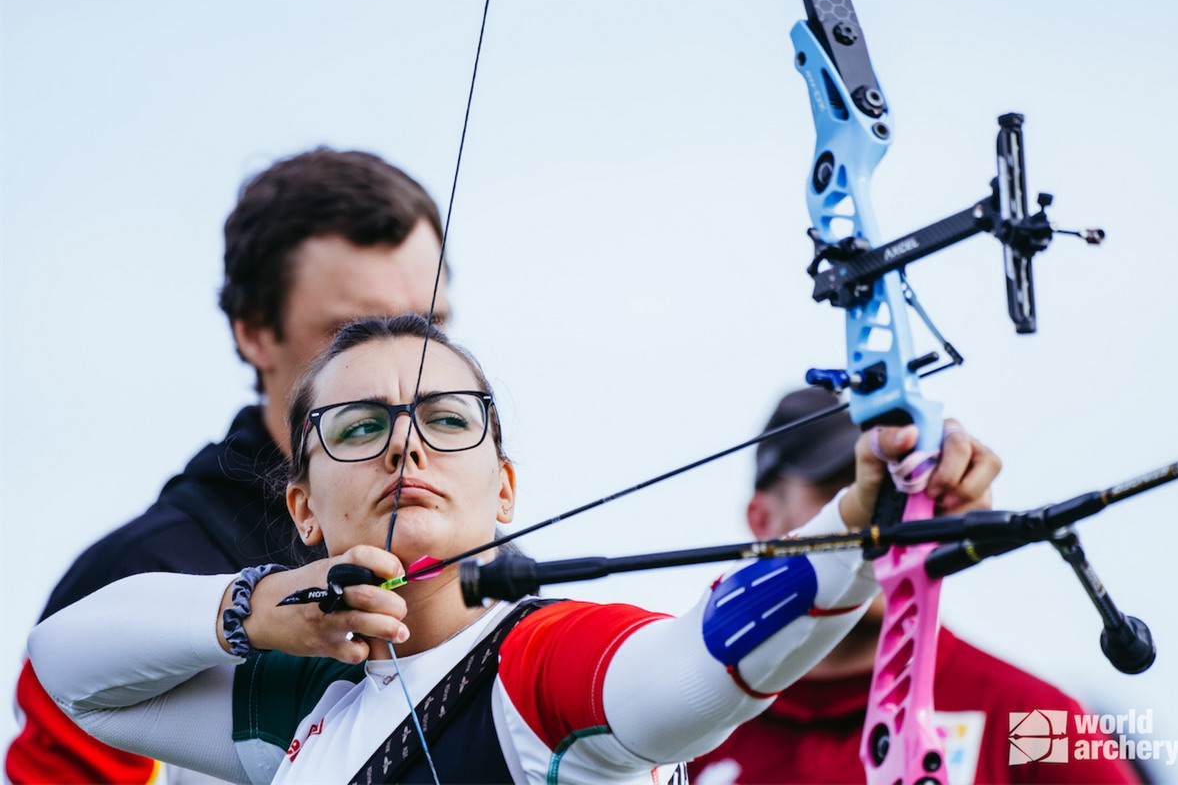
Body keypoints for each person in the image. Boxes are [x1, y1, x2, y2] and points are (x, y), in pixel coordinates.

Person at [29, 316, 1003, 785]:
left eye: (446, 419)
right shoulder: (296, 707)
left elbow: (695, 665)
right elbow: (68, 667)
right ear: (303, 506)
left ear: (502, 484)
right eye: (361, 426)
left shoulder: (538, 671)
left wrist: (854, 523)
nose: (406, 442)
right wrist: (251, 606)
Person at [6, 149, 449, 785]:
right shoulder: (133, 585)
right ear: (253, 333)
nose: (402, 366)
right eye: (354, 331)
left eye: (428, 326)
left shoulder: (467, 550)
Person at [689, 388, 1141, 785]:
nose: (881, 519)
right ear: (762, 520)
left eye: (899, 491)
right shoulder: (684, 724)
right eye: (844, 495)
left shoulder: (1035, 720)